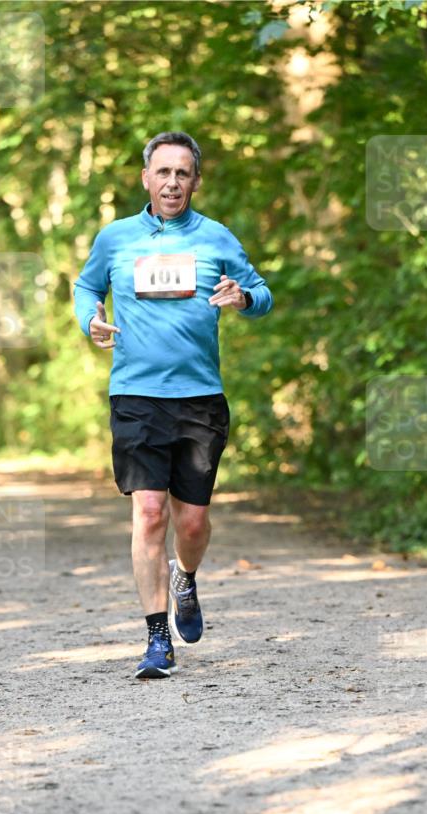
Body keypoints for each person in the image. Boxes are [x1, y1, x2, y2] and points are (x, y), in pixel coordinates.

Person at [73, 131, 273, 679]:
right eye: (163, 172)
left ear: (195, 182)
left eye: (182, 173)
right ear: (146, 179)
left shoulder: (216, 238)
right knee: (150, 512)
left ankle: (185, 576)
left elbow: (261, 293)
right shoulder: (115, 238)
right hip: (136, 395)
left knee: (192, 521)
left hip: (200, 399)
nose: (172, 182)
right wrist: (89, 319)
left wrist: (245, 298)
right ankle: (156, 638)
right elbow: (85, 288)